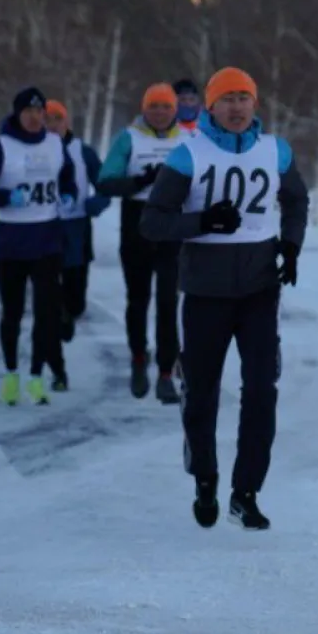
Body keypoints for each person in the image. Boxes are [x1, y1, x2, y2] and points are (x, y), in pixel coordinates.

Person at [140, 66, 309, 530]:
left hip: (258, 291)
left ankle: (246, 492)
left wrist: (291, 246)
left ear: (256, 104)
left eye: (244, 98)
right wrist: (200, 224)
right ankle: (205, 478)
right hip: (204, 293)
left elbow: (297, 201)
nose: (237, 107)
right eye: (227, 99)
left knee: (260, 392)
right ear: (210, 106)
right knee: (202, 394)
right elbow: (152, 222)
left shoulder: (275, 151)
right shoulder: (187, 155)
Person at [0, 86, 78, 405]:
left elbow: (67, 178)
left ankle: (35, 376)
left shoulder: (56, 144)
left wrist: (68, 194)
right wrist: (5, 198)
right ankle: (11, 374)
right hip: (13, 242)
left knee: (45, 314)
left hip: (46, 241)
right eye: (27, 111)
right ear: (17, 113)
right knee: (12, 313)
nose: (34, 117)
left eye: (39, 111)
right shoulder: (0, 148)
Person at [96, 84, 187, 401]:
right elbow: (106, 182)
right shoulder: (129, 138)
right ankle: (138, 358)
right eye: (154, 107)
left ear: (174, 110)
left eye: (165, 106)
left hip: (172, 231)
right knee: (138, 300)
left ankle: (165, 372)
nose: (160, 113)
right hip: (137, 228)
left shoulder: (188, 140)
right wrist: (142, 180)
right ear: (144, 109)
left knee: (167, 302)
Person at [44, 100, 110, 342]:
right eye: (46, 120)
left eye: (57, 119)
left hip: (76, 225)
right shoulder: (33, 151)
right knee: (48, 277)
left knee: (75, 285)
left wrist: (98, 202)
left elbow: (105, 183)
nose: (51, 125)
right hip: (44, 224)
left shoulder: (83, 152)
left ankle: (71, 309)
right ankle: (57, 315)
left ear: (67, 122)